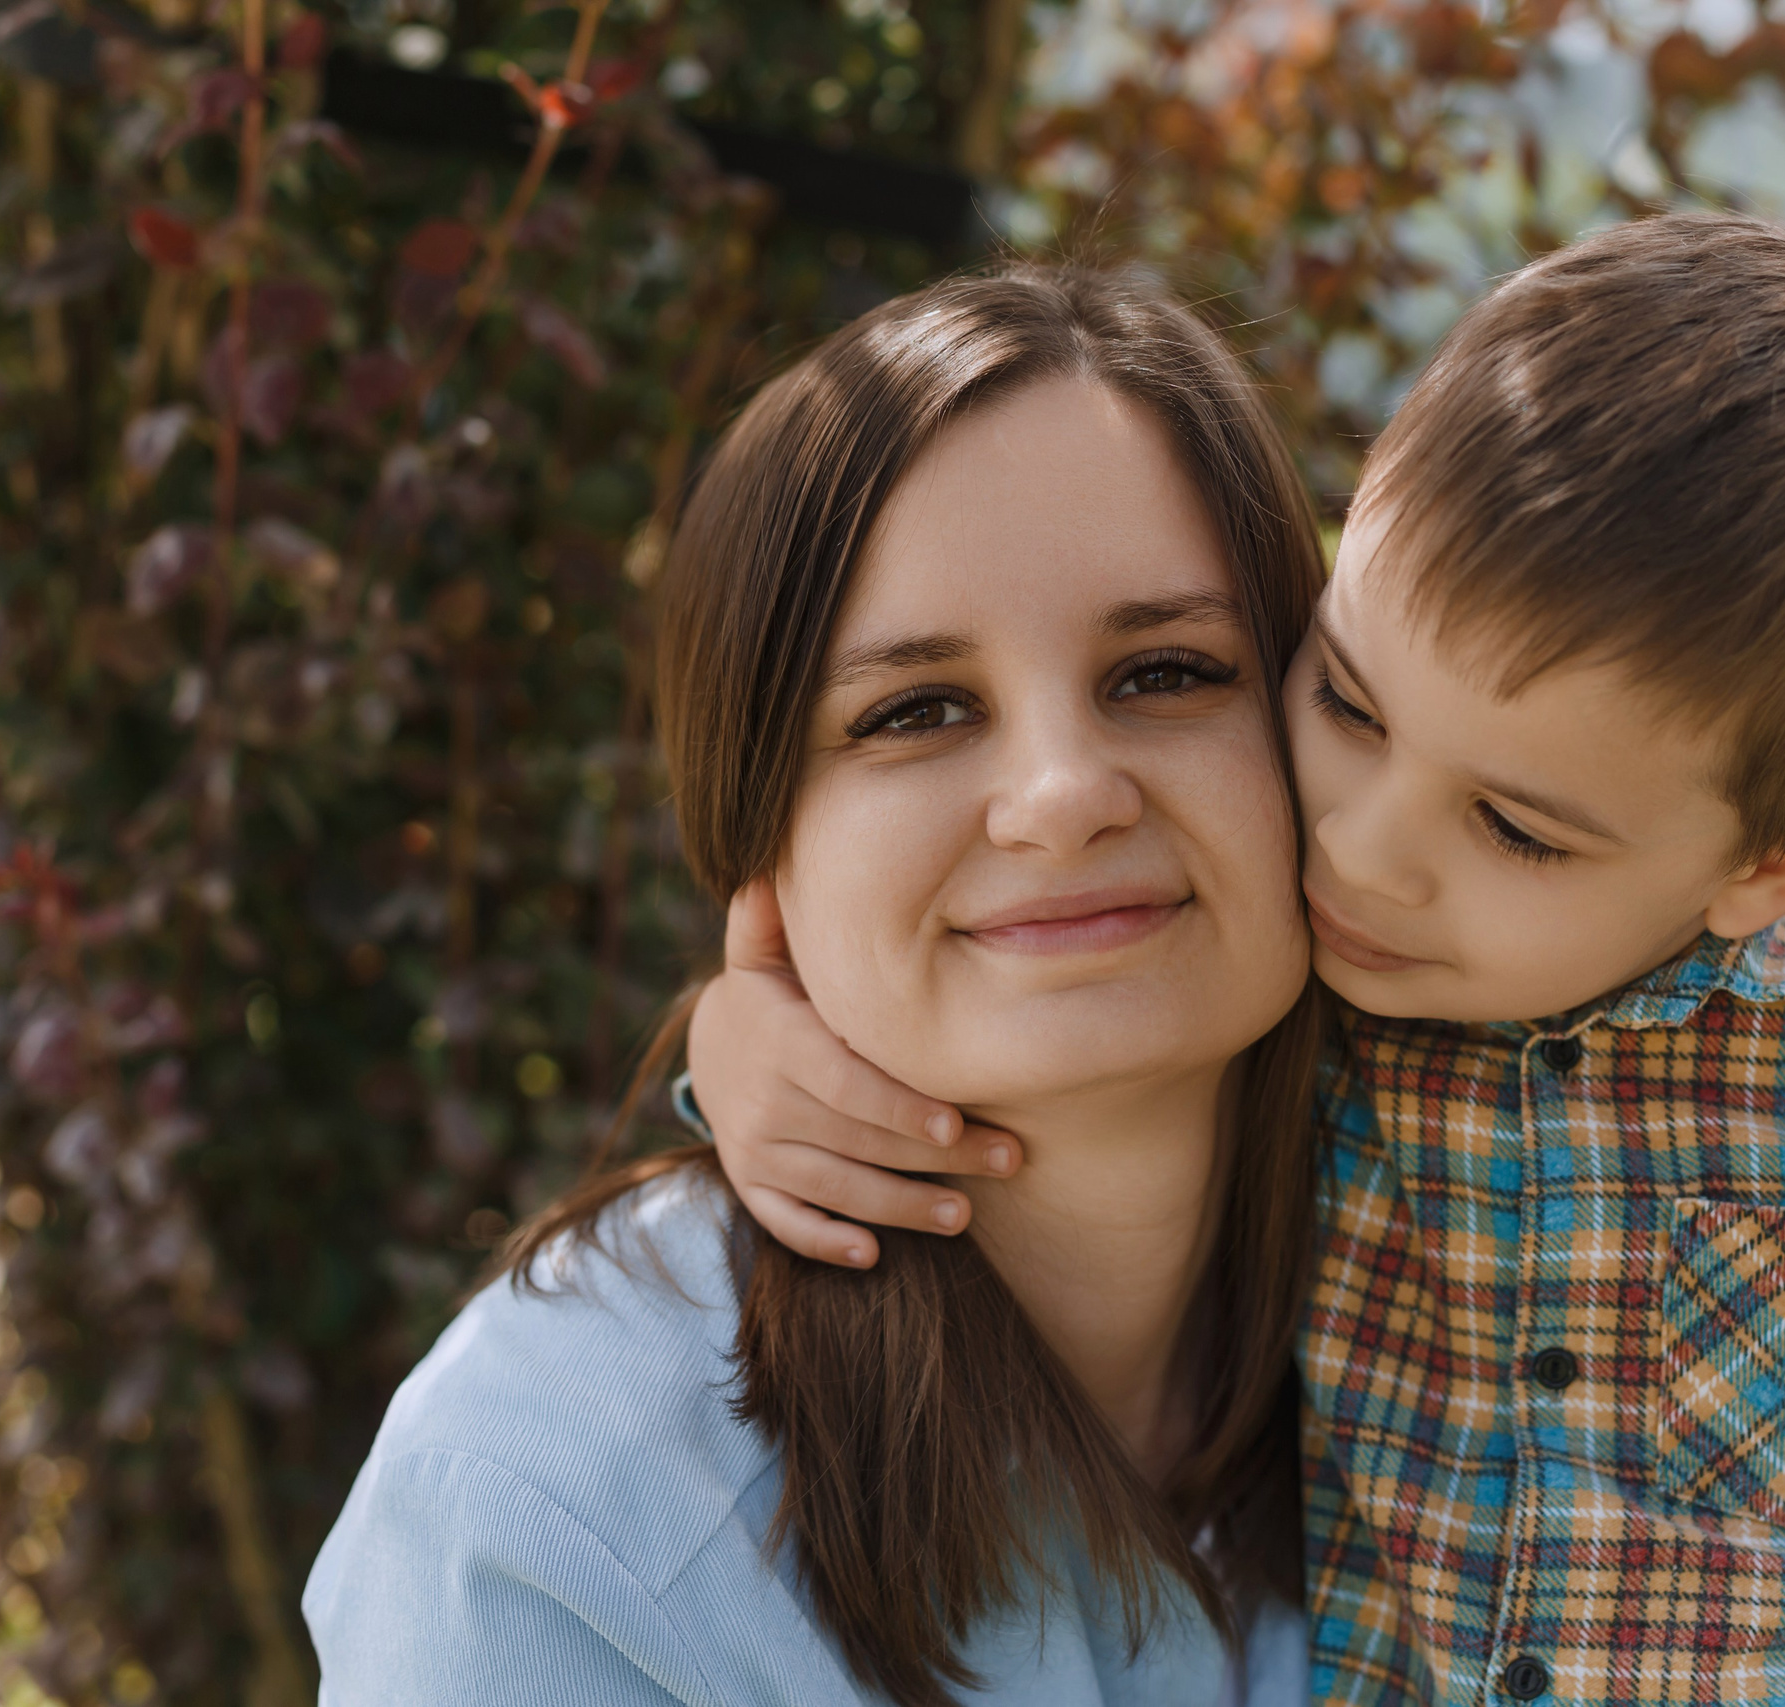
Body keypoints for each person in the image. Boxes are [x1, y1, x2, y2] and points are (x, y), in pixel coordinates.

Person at [682, 215, 1785, 1706]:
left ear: (1772, 864)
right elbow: (1041, 1017)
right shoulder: (1307, 978)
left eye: (1517, 829)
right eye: (1345, 699)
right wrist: (752, 1045)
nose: (1362, 844)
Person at [301, 265, 1336, 1706]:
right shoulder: (552, 1510)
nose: (1062, 795)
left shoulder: (1502, 1250)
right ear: (760, 850)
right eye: (915, 710)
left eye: (1167, 671)